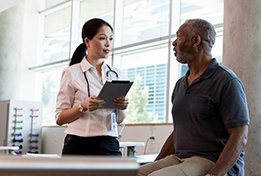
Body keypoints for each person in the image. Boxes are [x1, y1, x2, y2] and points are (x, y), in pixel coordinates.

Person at [137, 19, 249, 176]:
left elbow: (240, 136)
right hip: (180, 158)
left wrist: (214, 174)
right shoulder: (180, 84)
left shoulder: (226, 81)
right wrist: (156, 164)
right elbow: (179, 131)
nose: (174, 43)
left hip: (211, 160)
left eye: (179, 36)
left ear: (196, 40)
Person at [55, 18, 128, 156]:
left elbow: (119, 119)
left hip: (110, 143)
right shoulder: (71, 73)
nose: (108, 44)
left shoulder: (116, 74)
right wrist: (83, 106)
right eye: (102, 38)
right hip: (79, 145)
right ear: (87, 41)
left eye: (111, 39)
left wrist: (121, 107)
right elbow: (60, 118)